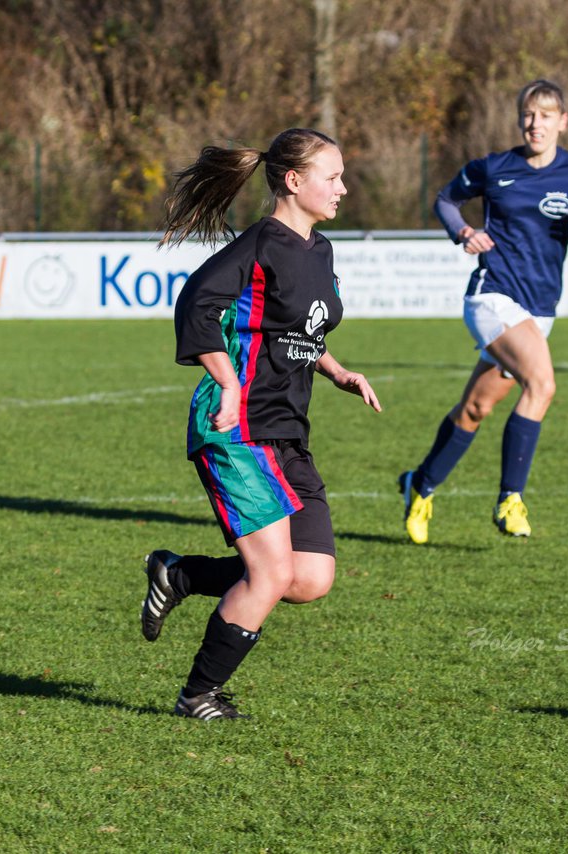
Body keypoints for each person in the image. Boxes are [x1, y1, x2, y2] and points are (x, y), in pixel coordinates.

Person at [140, 128, 382, 720]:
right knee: (271, 573)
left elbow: (298, 331)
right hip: (236, 426)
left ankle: (181, 574)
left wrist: (337, 370)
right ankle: (198, 696)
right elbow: (195, 303)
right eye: (333, 177)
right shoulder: (259, 244)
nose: (343, 188)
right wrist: (225, 381)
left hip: (287, 429)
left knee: (309, 577)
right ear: (294, 182)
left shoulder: (319, 250)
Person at [397, 79, 568, 542]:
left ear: (563, 121)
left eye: (546, 115)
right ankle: (510, 499)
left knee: (475, 408)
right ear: (520, 120)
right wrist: (463, 233)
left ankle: (420, 484)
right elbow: (445, 199)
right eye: (528, 115)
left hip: (540, 309)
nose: (536, 124)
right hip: (492, 295)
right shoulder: (495, 167)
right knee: (543, 384)